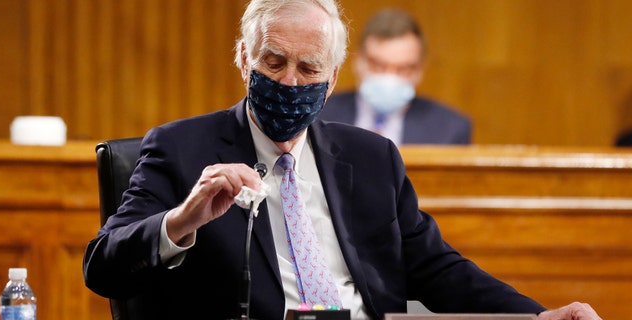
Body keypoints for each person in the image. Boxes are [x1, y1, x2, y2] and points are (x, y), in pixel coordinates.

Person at [82, 0, 601, 319]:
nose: (288, 81)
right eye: (273, 61)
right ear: (243, 57)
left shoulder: (372, 157)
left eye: (309, 68)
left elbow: (437, 268)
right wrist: (182, 220)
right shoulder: (179, 149)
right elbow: (101, 267)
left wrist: (538, 317)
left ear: (332, 79)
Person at [320, 8, 471, 145]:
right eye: (378, 66)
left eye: (404, 69)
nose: (389, 78)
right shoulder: (319, 115)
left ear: (420, 71)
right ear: (358, 61)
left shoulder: (450, 128)